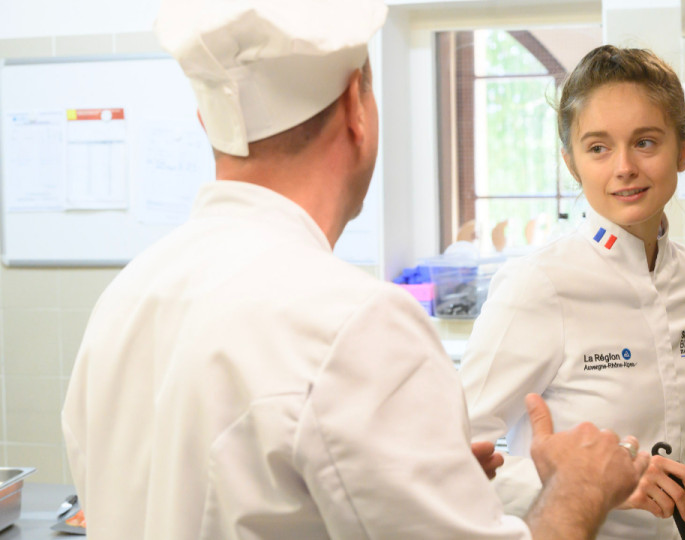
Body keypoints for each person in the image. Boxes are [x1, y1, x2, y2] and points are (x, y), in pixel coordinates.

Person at [60, 4, 646, 539]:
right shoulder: (354, 322)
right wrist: (580, 486)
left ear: (207, 124)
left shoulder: (127, 297)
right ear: (354, 110)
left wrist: (435, 494)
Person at [460, 45, 685, 540]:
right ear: (571, 163)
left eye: (645, 142)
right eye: (598, 148)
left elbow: (659, 461)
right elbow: (447, 457)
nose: (624, 166)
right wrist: (594, 484)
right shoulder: (539, 285)